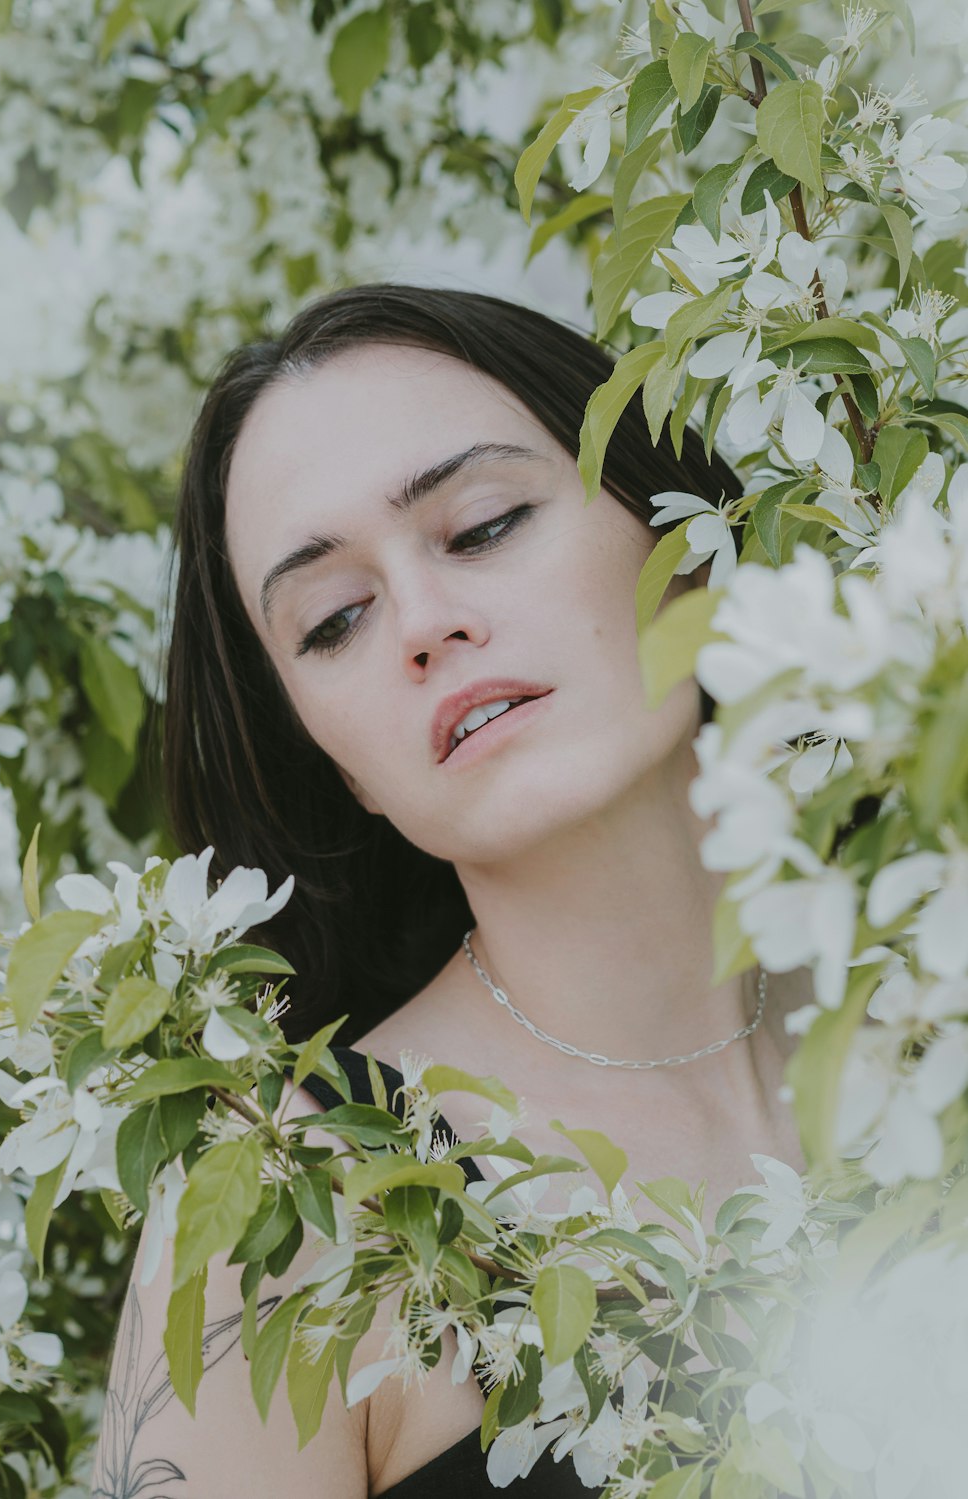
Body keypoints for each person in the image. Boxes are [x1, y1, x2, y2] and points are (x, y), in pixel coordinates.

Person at [93, 284, 812, 1498]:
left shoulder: (926, 986)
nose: (423, 624)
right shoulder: (294, 1210)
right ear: (341, 766)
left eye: (480, 526)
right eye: (333, 621)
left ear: (683, 537)